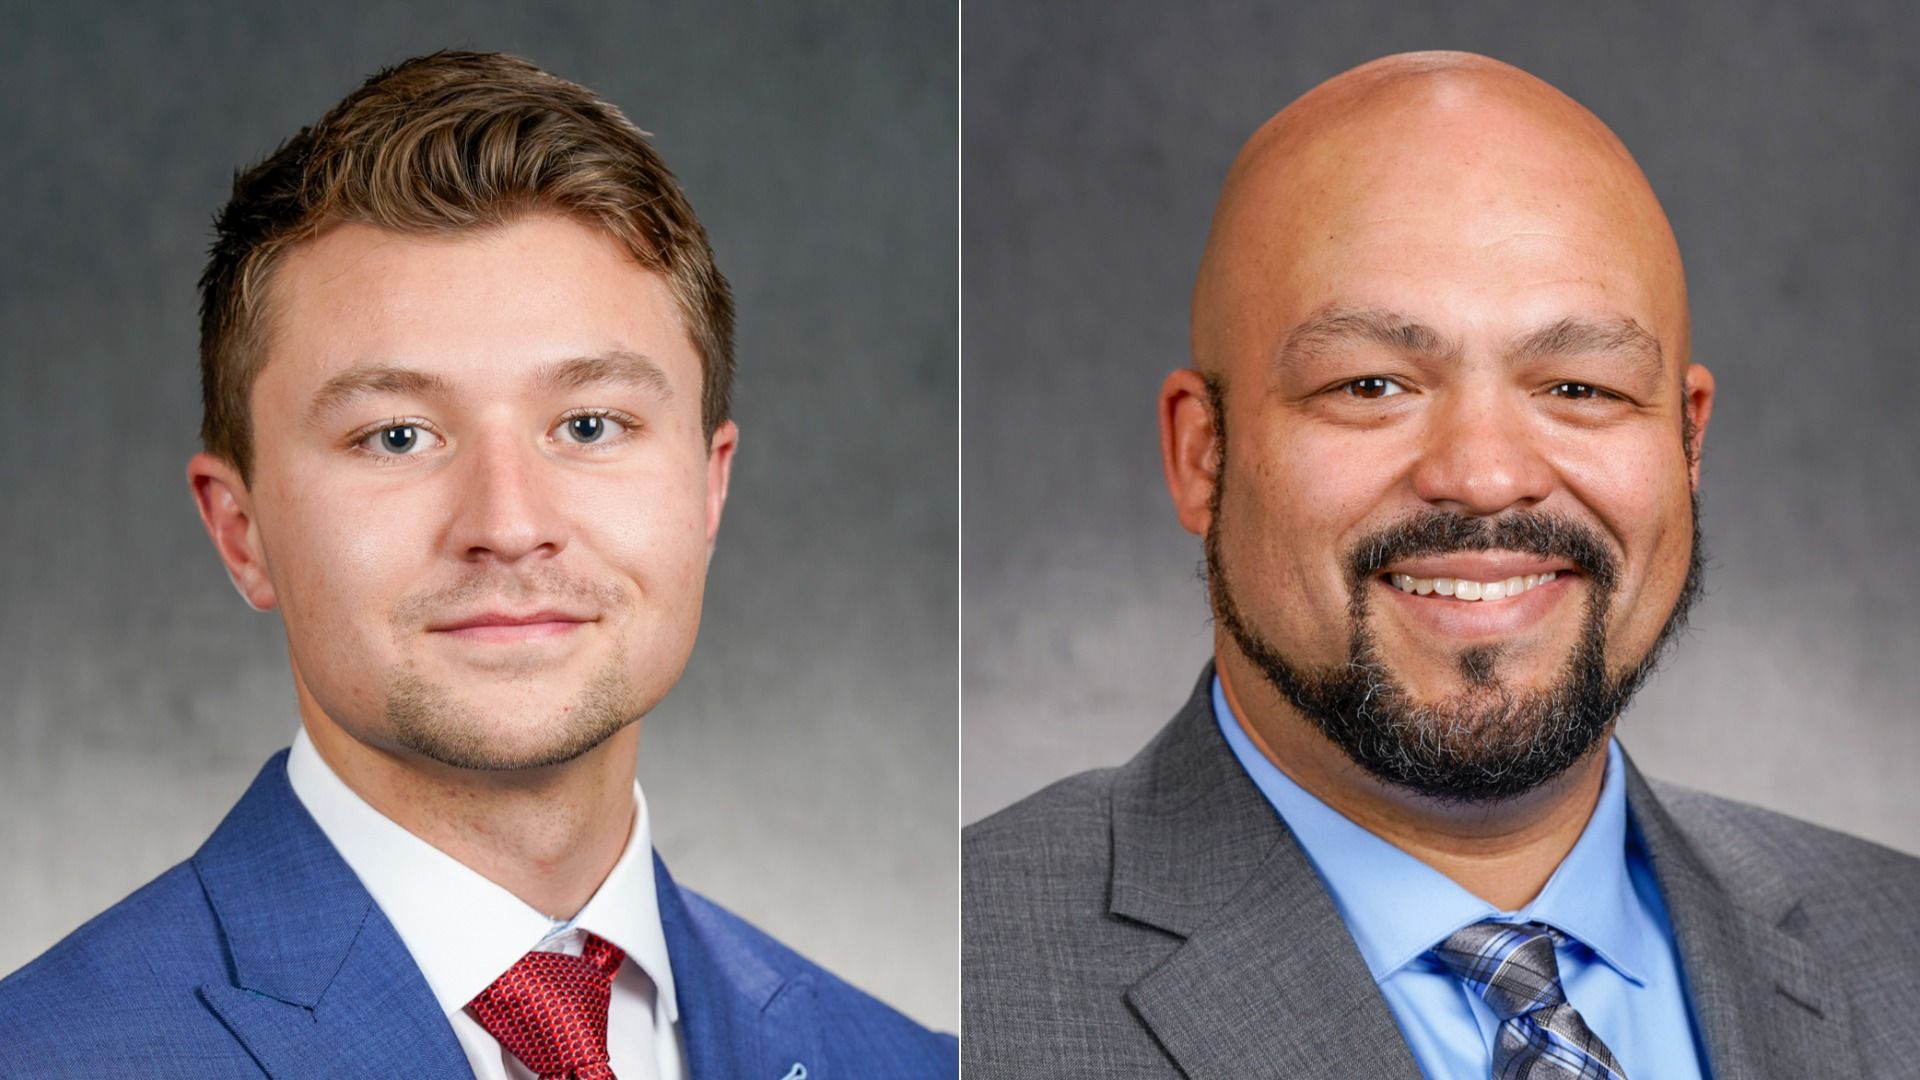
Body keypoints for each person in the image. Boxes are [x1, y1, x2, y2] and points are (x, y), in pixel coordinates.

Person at [962, 51, 1920, 1078]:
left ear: (1687, 445)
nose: (1486, 475)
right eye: (1372, 384)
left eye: (1581, 387)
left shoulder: (1897, 949)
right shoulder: (976, 987)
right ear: (1204, 454)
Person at [0, 50, 955, 1079]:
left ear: (709, 489)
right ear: (242, 531)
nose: (508, 523)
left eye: (589, 424)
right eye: (398, 436)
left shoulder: (906, 1061)